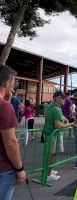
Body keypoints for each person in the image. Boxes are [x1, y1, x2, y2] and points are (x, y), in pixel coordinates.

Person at [0, 65, 26, 200]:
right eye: (13, 82)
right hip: (3, 169)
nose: (14, 86)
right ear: (6, 82)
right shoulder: (4, 107)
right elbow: (10, 142)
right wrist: (20, 169)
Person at [44, 91, 73, 181]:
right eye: (64, 99)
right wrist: (71, 124)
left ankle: (50, 170)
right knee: (51, 155)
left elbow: (59, 118)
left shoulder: (50, 107)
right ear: (58, 98)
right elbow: (58, 125)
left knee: (50, 154)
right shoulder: (56, 109)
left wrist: (65, 118)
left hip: (49, 134)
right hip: (52, 135)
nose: (64, 101)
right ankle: (48, 175)